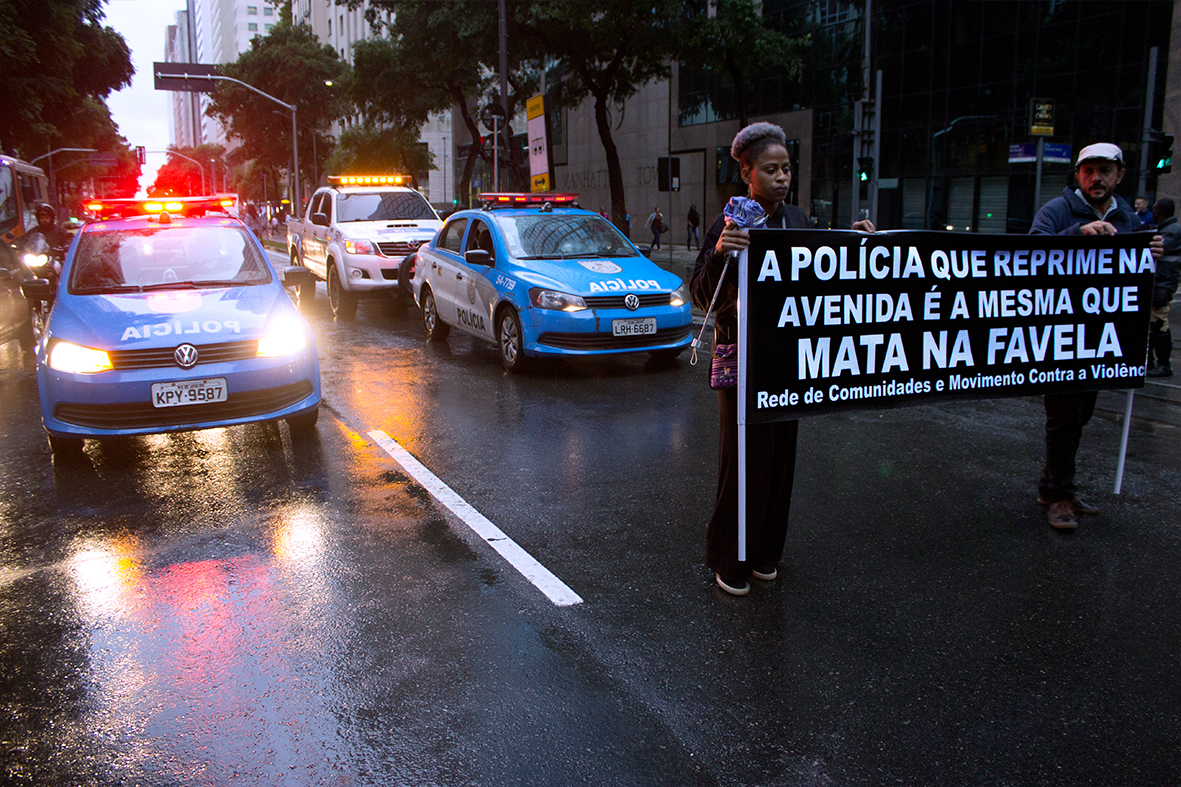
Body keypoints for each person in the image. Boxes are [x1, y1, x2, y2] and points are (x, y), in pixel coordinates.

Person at [689, 122, 874, 596]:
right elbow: (700, 295)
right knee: (744, 460)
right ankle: (730, 559)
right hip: (743, 363)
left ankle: (766, 551)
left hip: (788, 361)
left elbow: (820, 276)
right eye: (770, 169)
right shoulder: (730, 222)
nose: (782, 177)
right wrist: (718, 254)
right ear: (746, 173)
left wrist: (853, 247)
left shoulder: (797, 219)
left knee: (780, 459)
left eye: (787, 168)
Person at [1028, 143, 1141, 529]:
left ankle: (1058, 486)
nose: (1096, 179)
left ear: (1119, 175)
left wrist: (1152, 253)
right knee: (1063, 416)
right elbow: (1030, 256)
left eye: (1104, 171)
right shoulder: (1057, 211)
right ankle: (1057, 495)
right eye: (1088, 171)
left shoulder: (1127, 216)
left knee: (1081, 416)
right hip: (1061, 334)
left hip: (1100, 335)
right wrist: (1078, 233)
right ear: (1077, 175)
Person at [1148, 197, 1180, 377]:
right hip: (1160, 282)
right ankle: (1153, 362)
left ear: (1158, 211)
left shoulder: (1172, 231)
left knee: (1160, 324)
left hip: (1163, 284)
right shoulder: (1167, 229)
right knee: (1153, 323)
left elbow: (1156, 250)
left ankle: (1163, 364)